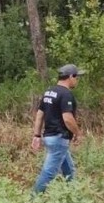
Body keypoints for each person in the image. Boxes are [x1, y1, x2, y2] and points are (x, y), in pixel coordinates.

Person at [31, 64, 84, 194]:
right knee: (49, 172)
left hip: (49, 136)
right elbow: (67, 118)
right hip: (59, 138)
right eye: (76, 77)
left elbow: (40, 114)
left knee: (69, 170)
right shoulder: (66, 94)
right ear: (71, 77)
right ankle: (32, 200)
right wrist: (78, 133)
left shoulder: (49, 91)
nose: (77, 80)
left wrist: (37, 135)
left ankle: (72, 195)